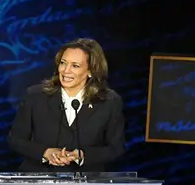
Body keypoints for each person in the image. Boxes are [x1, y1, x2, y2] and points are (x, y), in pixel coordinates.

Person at [7, 38, 125, 171]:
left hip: (86, 183)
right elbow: (16, 140)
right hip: (39, 179)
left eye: (75, 66)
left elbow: (116, 148)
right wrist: (45, 153)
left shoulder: (109, 101)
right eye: (63, 63)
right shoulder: (35, 96)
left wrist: (82, 155)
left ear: (91, 70)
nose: (65, 71)